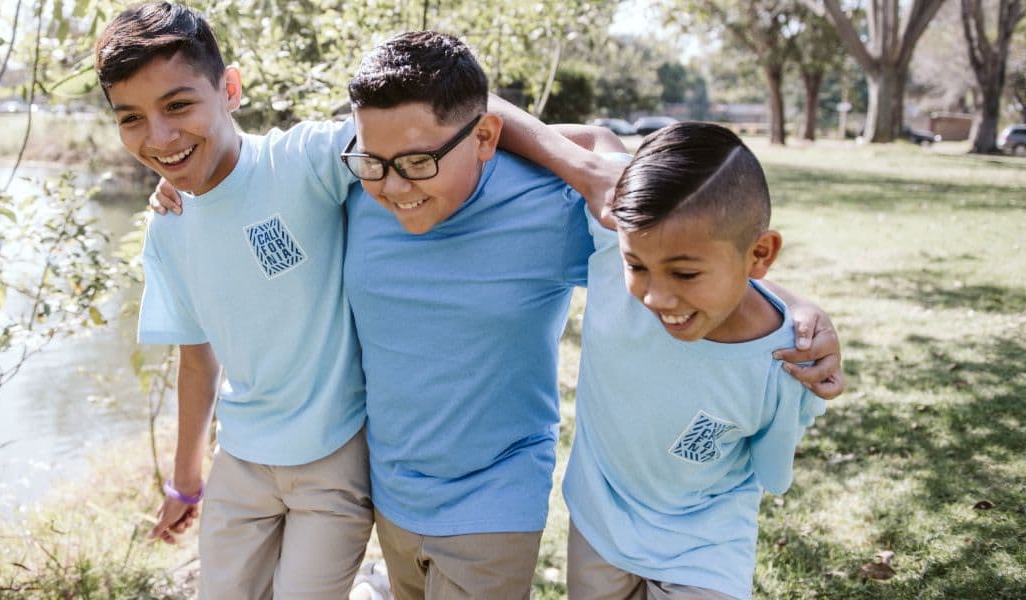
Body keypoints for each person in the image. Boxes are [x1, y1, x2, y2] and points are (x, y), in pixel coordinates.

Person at [339, 33, 842, 599]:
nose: (393, 182)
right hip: (409, 489)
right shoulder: (353, 167)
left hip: (517, 496)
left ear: (482, 139)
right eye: (376, 164)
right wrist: (579, 161)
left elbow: (688, 242)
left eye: (418, 161)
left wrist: (790, 304)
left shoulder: (563, 211)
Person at [94, 4, 371, 598]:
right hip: (241, 460)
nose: (160, 137)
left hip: (334, 458)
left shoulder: (302, 162)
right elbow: (198, 361)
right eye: (132, 118)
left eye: (178, 105)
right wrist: (186, 483)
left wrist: (578, 159)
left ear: (230, 89)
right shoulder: (168, 228)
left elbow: (427, 123)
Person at [563, 122, 827, 600]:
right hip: (599, 526)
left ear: (760, 254)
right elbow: (590, 139)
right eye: (637, 266)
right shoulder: (615, 235)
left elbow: (771, 467)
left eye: (685, 273)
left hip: (707, 544)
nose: (657, 296)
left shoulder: (788, 361)